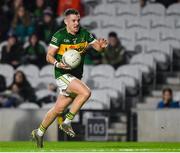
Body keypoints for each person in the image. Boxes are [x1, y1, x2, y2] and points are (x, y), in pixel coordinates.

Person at [31, 8, 108, 148]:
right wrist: (57, 63)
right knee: (86, 92)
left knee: (58, 109)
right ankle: (66, 122)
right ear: (66, 21)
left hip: (75, 76)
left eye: (78, 20)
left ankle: (39, 132)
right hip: (62, 74)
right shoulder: (59, 35)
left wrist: (102, 47)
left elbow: (97, 47)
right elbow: (49, 55)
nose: (76, 23)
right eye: (73, 20)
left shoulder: (84, 34)